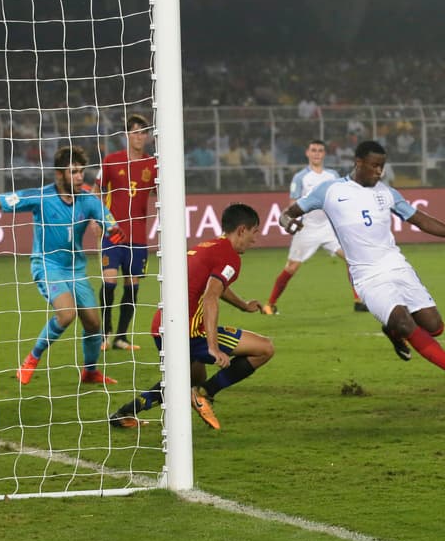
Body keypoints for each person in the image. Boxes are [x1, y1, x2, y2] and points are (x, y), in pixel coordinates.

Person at [279, 140, 445, 405]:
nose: (379, 171)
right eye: (375, 166)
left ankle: (393, 331)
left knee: (434, 327)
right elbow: (287, 213)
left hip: (397, 266)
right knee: (403, 321)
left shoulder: (386, 193)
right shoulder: (330, 190)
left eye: (382, 166)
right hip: (367, 276)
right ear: (358, 163)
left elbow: (420, 219)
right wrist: (289, 223)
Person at [109, 203, 273, 430]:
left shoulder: (207, 246)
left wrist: (243, 305)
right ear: (242, 230)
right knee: (265, 348)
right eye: (255, 232)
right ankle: (205, 394)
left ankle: (125, 412)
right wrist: (213, 347)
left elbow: (216, 285)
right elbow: (210, 297)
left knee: (186, 380)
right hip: (189, 330)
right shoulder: (230, 257)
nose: (255, 239)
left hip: (162, 325)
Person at [0, 145, 123, 385]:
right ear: (59, 174)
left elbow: (110, 223)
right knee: (66, 314)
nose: (80, 176)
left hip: (75, 269)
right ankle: (32, 359)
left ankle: (90, 372)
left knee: (94, 324)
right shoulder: (41, 196)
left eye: (81, 171)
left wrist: (113, 232)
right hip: (47, 265)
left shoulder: (87, 200)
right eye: (73, 172)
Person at [262, 139, 364, 315]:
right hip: (306, 229)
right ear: (307, 153)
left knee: (352, 258)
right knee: (291, 268)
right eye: (313, 150)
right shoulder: (300, 177)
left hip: (329, 228)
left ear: (324, 154)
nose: (317, 153)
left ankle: (358, 301)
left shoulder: (332, 175)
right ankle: (269, 305)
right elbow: (293, 203)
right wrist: (293, 219)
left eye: (320, 150)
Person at [98, 113, 158, 351]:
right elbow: (97, 190)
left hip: (139, 237)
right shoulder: (111, 160)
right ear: (126, 135)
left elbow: (158, 192)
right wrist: (97, 218)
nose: (139, 137)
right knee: (109, 282)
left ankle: (121, 337)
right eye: (134, 132)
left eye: (143, 132)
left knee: (132, 287)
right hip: (113, 232)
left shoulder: (153, 164)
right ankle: (104, 333)